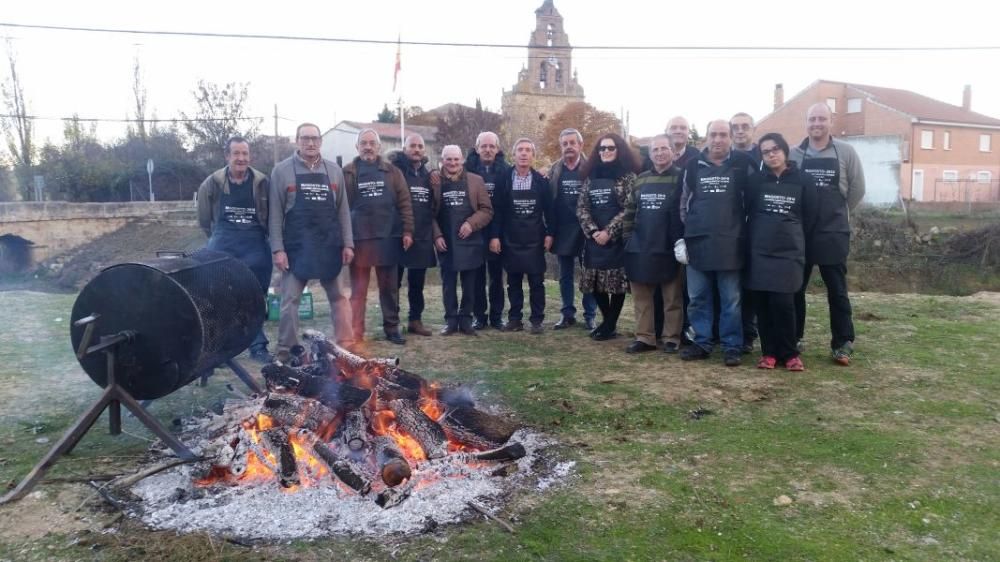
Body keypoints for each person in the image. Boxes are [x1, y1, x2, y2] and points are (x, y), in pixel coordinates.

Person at [269, 123, 354, 359]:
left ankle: (346, 349)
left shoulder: (334, 171)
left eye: (315, 138)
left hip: (330, 246)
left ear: (321, 142)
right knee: (290, 301)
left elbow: (343, 211)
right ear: (297, 140)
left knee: (339, 298)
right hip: (296, 249)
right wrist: (278, 249)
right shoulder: (281, 171)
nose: (310, 143)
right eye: (305, 138)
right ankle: (288, 351)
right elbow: (274, 215)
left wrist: (348, 244)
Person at [790, 102, 866, 365]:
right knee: (795, 288)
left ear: (831, 122)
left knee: (837, 290)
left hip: (833, 231)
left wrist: (838, 214)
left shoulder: (846, 152)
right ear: (806, 123)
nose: (817, 124)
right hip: (800, 233)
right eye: (812, 119)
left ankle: (842, 343)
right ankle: (794, 337)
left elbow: (857, 189)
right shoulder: (794, 154)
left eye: (822, 119)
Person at [678, 120, 755, 366]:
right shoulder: (692, 166)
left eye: (723, 134)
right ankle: (702, 342)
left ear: (731, 137)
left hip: (731, 243)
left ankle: (732, 346)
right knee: (698, 297)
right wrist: (691, 231)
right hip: (698, 243)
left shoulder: (743, 164)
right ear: (706, 138)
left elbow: (752, 202)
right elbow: (683, 204)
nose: (718, 139)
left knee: (731, 298)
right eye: (713, 134)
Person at [197, 136, 273, 363]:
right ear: (227, 156)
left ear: (249, 156)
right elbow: (204, 219)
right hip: (223, 248)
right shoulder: (212, 183)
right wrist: (217, 240)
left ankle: (258, 346)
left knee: (255, 299)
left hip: (256, 247)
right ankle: (219, 350)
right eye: (236, 153)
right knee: (220, 299)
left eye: (244, 154)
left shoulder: (262, 182)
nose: (241, 158)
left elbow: (271, 214)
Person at [746, 133, 818, 371]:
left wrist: (793, 238)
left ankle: (790, 353)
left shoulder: (803, 180)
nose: (772, 154)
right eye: (766, 152)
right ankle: (768, 354)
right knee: (763, 304)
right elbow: (749, 212)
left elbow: (810, 216)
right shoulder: (755, 181)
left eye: (775, 149)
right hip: (760, 252)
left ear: (785, 150)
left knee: (784, 303)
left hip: (789, 252)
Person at [343, 129, 414, 345]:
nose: (368, 147)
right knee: (358, 291)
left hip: (388, 238)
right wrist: (344, 240)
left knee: (389, 289)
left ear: (379, 146)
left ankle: (392, 328)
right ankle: (356, 331)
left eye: (372, 143)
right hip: (358, 240)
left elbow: (404, 203)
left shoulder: (392, 172)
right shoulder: (347, 172)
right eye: (363, 143)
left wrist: (408, 230)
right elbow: (341, 208)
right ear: (357, 147)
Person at [622, 135, 685, 354]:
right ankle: (645, 337)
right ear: (650, 154)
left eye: (664, 148)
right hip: (640, 245)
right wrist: (627, 239)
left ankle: (671, 338)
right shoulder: (641, 179)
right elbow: (630, 211)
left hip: (670, 246)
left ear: (673, 151)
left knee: (672, 297)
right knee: (642, 297)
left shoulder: (681, 177)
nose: (659, 153)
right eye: (655, 150)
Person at [576, 133, 640, 341]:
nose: (605, 152)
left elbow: (630, 208)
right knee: (595, 285)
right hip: (593, 241)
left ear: (619, 150)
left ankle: (609, 324)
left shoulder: (628, 177)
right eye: (602, 148)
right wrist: (594, 232)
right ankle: (608, 323)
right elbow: (582, 207)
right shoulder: (590, 176)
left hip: (617, 241)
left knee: (617, 285)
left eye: (610, 148)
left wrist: (609, 232)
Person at [492, 138, 554, 334]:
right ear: (514, 154)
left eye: (528, 150)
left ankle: (537, 321)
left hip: (535, 239)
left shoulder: (541, 182)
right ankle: (515, 319)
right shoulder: (503, 179)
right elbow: (497, 211)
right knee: (513, 282)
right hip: (511, 239)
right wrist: (495, 236)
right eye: (520, 150)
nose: (524, 153)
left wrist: (550, 233)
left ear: (533, 156)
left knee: (537, 282)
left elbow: (550, 211)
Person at [435, 145, 494, 335]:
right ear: (442, 160)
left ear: (462, 160)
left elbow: (487, 210)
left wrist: (471, 224)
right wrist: (436, 235)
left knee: (470, 284)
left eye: (456, 159)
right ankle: (451, 320)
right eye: (448, 159)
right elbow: (429, 213)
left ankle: (467, 320)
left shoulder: (476, 181)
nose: (452, 163)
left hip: (470, 242)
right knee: (448, 284)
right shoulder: (435, 182)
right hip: (446, 241)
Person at [548, 128, 597, 331]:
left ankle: (590, 315)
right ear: (561, 147)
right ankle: (567, 314)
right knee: (565, 275)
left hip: (586, 230)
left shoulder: (591, 168)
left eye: (572, 143)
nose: (568, 147)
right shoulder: (554, 170)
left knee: (588, 274)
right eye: (565, 144)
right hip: (562, 230)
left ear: (580, 145)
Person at [391, 133, 440, 337]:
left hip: (422, 236)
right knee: (394, 282)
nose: (417, 149)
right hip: (397, 235)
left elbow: (433, 204)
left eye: (420, 146)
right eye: (412, 146)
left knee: (417, 283)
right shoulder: (394, 172)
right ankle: (392, 322)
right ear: (404, 149)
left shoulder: (428, 175)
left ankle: (415, 320)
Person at [465, 131, 509, 330]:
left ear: (497, 149)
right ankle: (479, 316)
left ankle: (497, 316)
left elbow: (502, 206)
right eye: (484, 146)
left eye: (492, 146)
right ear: (477, 148)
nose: (488, 150)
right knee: (477, 277)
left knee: (496, 277)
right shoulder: (466, 169)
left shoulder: (506, 171)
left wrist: (496, 236)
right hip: (474, 230)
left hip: (497, 232)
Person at [730, 112, 760, 353]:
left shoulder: (765, 155)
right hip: (728, 231)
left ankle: (749, 334)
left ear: (753, 129)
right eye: (735, 127)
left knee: (750, 284)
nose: (740, 131)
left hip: (757, 230)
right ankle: (728, 331)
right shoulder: (723, 157)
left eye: (745, 126)